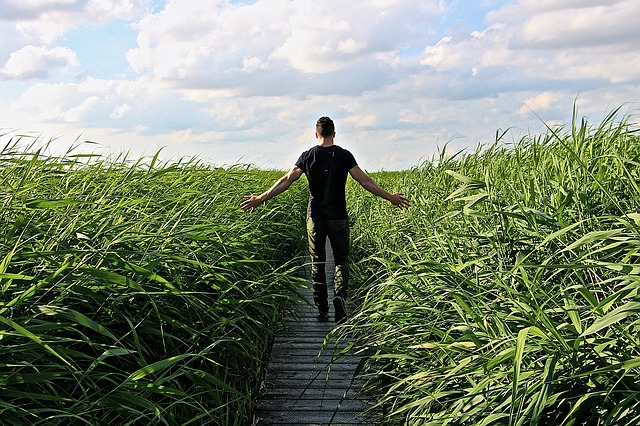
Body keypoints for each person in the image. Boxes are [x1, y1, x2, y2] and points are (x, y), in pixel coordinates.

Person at [240, 116, 410, 323]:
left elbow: (286, 180)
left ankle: (322, 309)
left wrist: (260, 198)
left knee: (317, 263)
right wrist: (390, 197)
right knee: (341, 260)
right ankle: (340, 296)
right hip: (338, 216)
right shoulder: (344, 155)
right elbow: (365, 181)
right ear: (334, 134)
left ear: (316, 134)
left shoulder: (308, 156)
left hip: (315, 217)